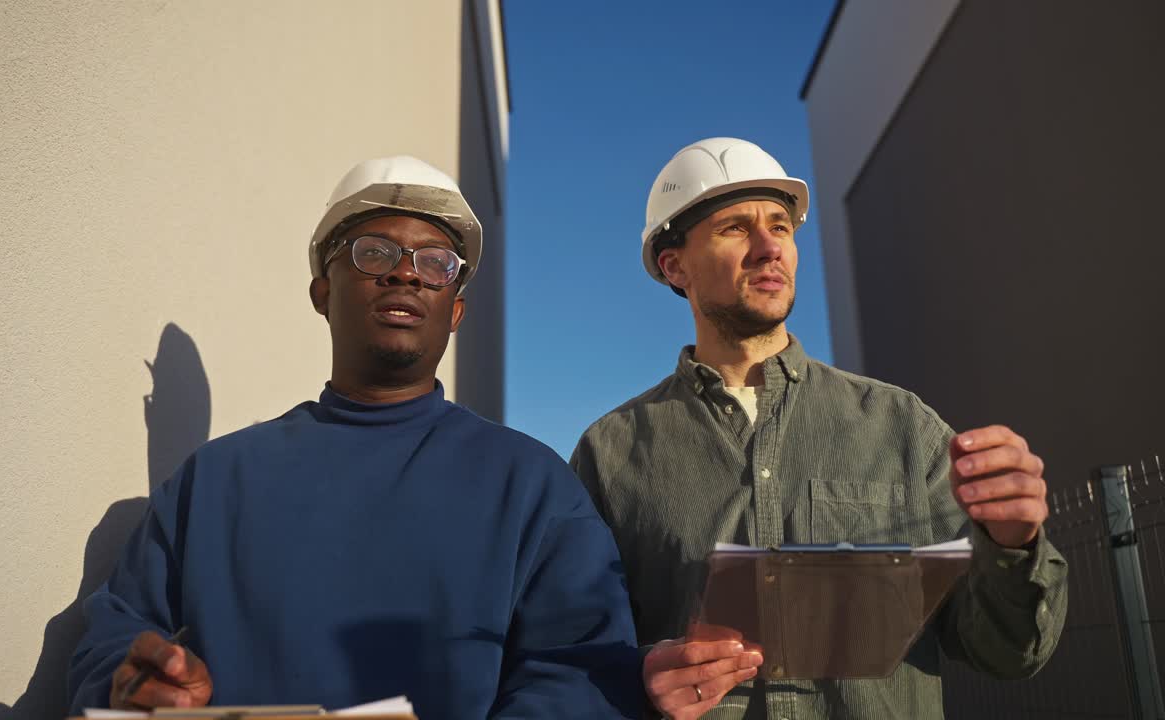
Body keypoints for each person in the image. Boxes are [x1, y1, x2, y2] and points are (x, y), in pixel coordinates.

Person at [69, 156, 641, 719]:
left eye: (437, 263)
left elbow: (584, 673)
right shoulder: (215, 479)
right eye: (375, 253)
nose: (406, 272)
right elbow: (116, 640)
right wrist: (131, 686)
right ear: (321, 293)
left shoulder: (534, 485)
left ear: (456, 311)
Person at [570, 138, 1069, 720]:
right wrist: (638, 672)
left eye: (780, 227)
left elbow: (1008, 654)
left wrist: (1012, 547)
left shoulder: (902, 426)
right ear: (674, 264)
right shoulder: (610, 453)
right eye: (735, 228)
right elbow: (574, 647)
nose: (767, 248)